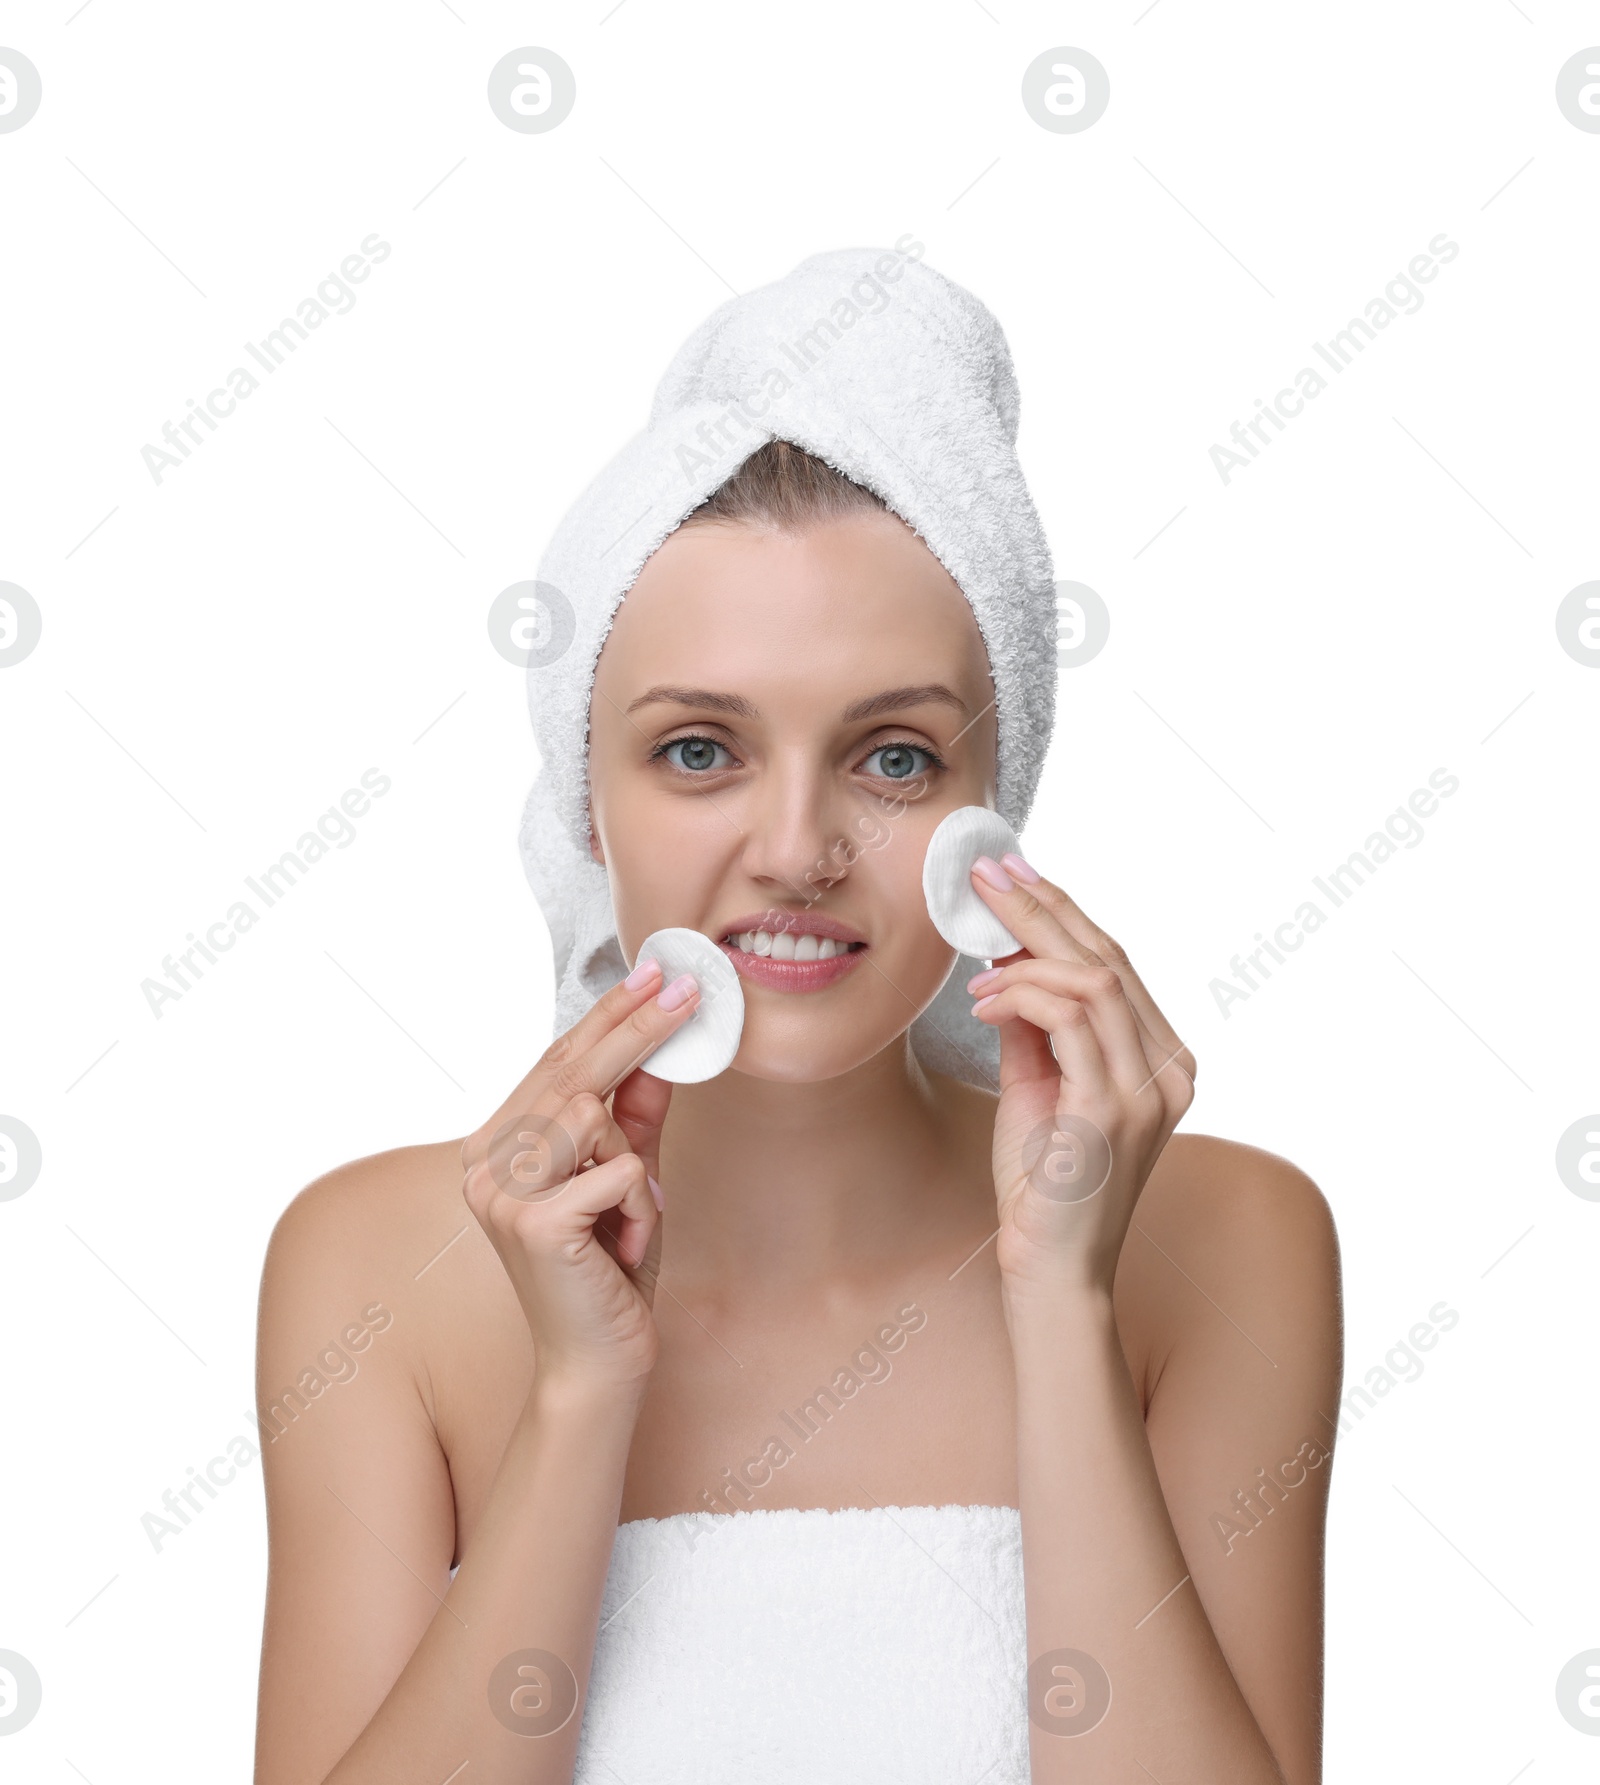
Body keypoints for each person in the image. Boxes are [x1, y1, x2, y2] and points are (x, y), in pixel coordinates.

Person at [253, 253, 1341, 1785]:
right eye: (699, 749)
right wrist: (580, 1397)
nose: (795, 847)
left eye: (893, 759)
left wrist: (1063, 1303)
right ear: (584, 808)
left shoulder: (1227, 1240)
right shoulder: (372, 1273)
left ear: (993, 814)